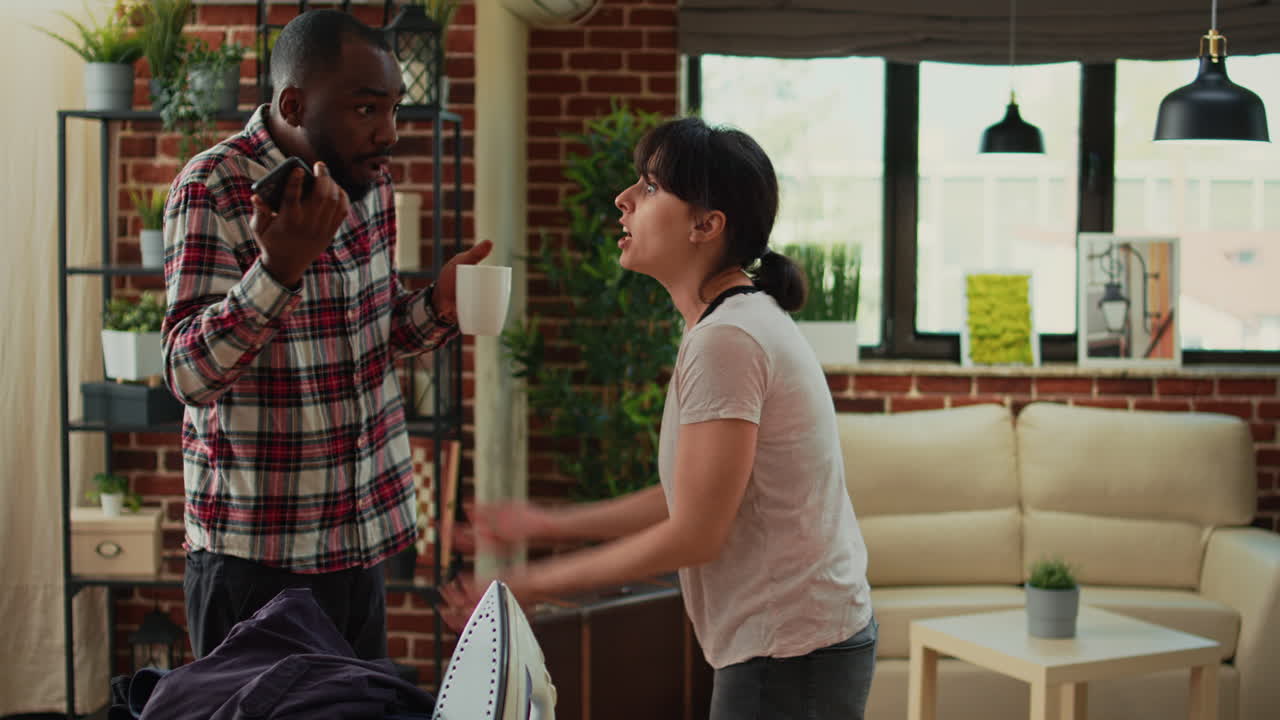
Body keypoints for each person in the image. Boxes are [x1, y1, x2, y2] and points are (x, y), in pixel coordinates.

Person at [442, 117, 876, 719]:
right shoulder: (727, 323)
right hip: (800, 641)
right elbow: (690, 497)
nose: (623, 199)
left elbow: (695, 532)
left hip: (789, 652)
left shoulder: (728, 339)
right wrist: (546, 524)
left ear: (706, 225)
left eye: (648, 187)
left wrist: (536, 583)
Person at [161, 9, 490, 660]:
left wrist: (437, 307)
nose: (388, 133)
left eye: (393, 109)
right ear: (292, 102)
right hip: (257, 561)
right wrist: (278, 271)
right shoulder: (213, 186)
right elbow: (189, 374)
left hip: (358, 545)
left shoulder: (371, 185)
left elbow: (374, 332)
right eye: (367, 109)